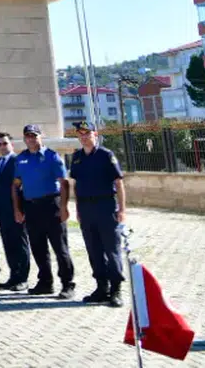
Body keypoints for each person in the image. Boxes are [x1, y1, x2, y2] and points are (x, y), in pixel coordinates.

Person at [12, 123, 75, 300]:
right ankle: (45, 282)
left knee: (60, 248)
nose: (31, 139)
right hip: (31, 207)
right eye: (28, 136)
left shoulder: (51, 156)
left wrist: (63, 207)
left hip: (51, 205)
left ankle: (67, 284)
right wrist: (17, 209)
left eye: (34, 136)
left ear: (41, 137)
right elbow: (16, 185)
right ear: (24, 139)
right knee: (38, 248)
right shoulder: (21, 158)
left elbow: (64, 183)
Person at [68, 120, 126, 307]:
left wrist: (122, 210)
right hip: (86, 209)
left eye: (88, 133)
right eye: (81, 134)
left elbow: (118, 183)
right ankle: (102, 288)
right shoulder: (77, 157)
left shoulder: (106, 155)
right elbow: (76, 184)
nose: (84, 137)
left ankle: (116, 290)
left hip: (106, 207)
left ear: (95, 134)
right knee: (94, 250)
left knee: (112, 249)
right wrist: (77, 209)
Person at [0, 131, 31, 291]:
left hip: (17, 208)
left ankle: (23, 278)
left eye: (4, 143)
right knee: (8, 243)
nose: (2, 146)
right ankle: (13, 276)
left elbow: (22, 186)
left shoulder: (18, 161)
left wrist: (20, 209)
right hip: (2, 209)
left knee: (20, 243)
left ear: (11, 144)